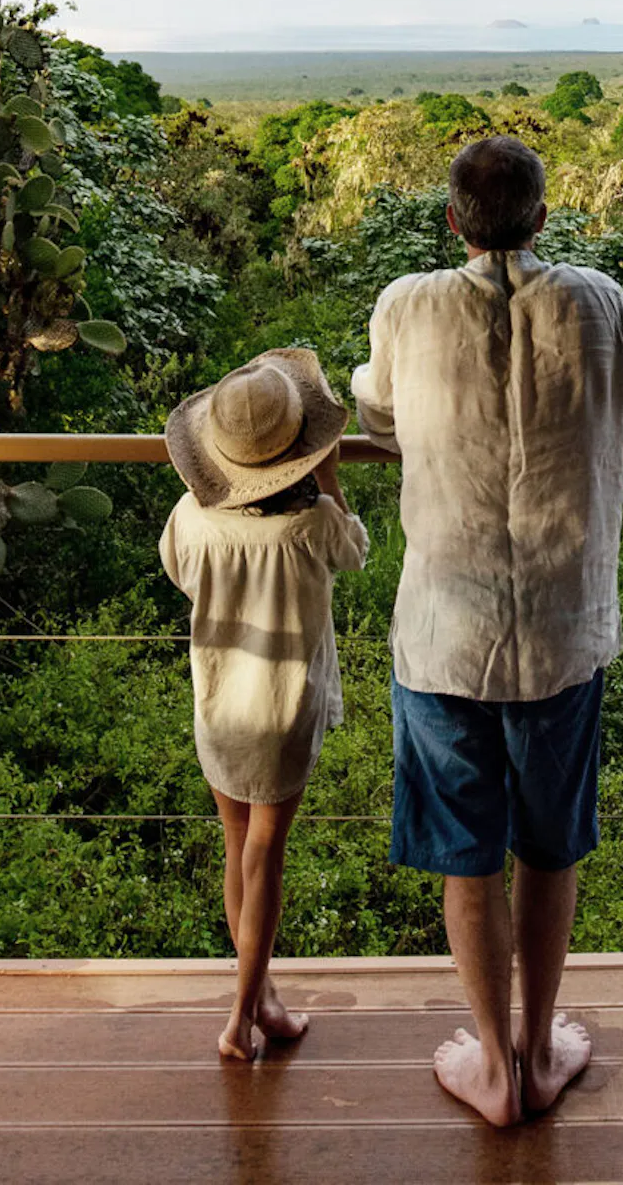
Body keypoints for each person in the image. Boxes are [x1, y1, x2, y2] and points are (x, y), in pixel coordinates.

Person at [354, 135, 623, 1126]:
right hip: (564, 632)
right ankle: (540, 1048)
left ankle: (493, 1067)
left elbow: (376, 419)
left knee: (467, 856)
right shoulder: (601, 303)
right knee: (547, 852)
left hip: (445, 635)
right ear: (542, 217)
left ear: (454, 221)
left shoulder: (408, 305)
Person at [160, 347, 369, 1062]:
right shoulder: (311, 528)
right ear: (301, 452)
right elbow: (358, 551)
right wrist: (334, 483)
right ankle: (242, 1016)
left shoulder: (193, 517)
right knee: (266, 855)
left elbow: (180, 573)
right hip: (283, 709)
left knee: (236, 846)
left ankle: (263, 997)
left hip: (219, 701)